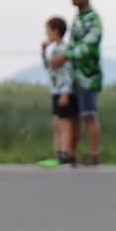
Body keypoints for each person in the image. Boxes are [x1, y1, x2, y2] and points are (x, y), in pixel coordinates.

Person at [51, 0, 103, 166]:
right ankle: (70, 153)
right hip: (74, 75)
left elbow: (88, 46)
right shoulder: (78, 18)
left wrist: (65, 56)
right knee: (74, 116)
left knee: (89, 114)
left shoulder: (93, 19)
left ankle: (93, 154)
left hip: (88, 75)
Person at [38, 16, 78, 168]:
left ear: (56, 31)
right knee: (56, 122)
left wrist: (65, 92)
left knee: (64, 122)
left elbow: (68, 72)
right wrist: (43, 53)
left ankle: (65, 154)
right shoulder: (55, 50)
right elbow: (50, 67)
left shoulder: (64, 50)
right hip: (56, 90)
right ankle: (58, 152)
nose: (46, 33)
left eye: (48, 30)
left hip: (63, 91)